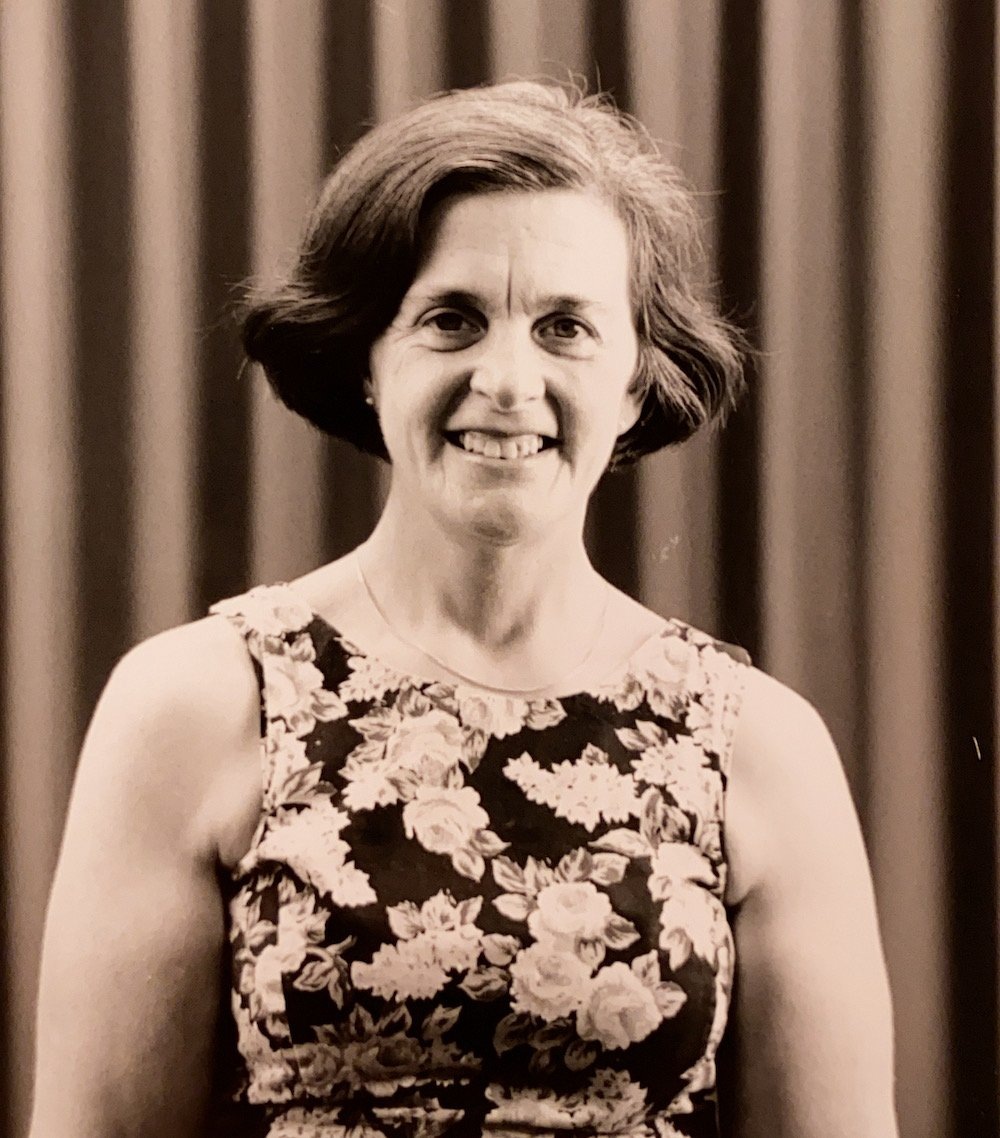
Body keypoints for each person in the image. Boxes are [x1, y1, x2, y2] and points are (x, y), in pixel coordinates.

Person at [29, 82, 898, 1138]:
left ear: (635, 379)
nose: (508, 380)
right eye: (452, 320)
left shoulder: (753, 741)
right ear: (366, 358)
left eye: (566, 328)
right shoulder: (198, 703)